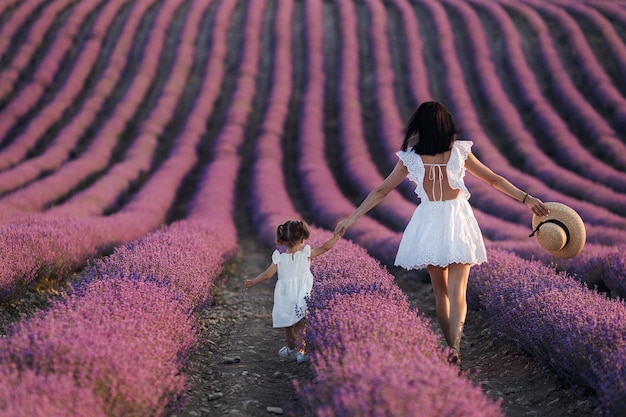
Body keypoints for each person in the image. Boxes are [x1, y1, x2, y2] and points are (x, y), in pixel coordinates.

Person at [334, 101, 549, 367]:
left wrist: (352, 218)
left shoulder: (411, 158)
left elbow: (381, 191)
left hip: (428, 222)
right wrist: (526, 198)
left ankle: (450, 346)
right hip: (457, 220)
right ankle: (456, 347)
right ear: (447, 124)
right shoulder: (460, 152)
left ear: (420, 127)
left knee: (441, 293)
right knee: (459, 292)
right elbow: (493, 179)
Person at [244, 219, 343, 363]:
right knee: (301, 326)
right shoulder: (306, 254)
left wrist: (252, 282)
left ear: (282, 240)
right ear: (303, 239)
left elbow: (266, 275)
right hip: (302, 295)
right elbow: (325, 248)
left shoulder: (279, 258)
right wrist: (336, 237)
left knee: (289, 328)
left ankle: (291, 350)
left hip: (285, 297)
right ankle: (301, 353)